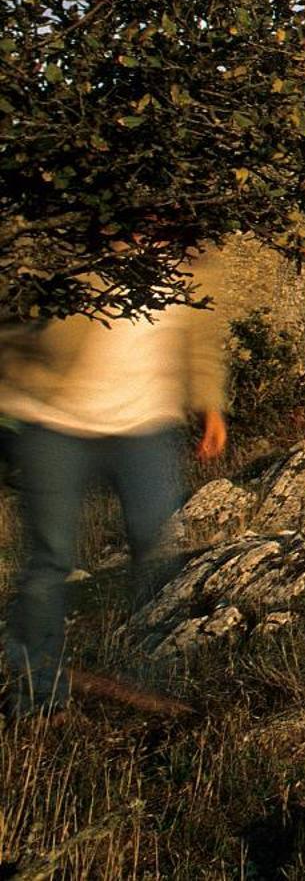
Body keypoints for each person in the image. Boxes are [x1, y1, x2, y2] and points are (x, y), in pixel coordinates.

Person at [0, 251, 228, 715]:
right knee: (50, 559)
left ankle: (149, 680)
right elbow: (18, 320)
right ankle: (35, 694)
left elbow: (200, 338)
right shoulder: (76, 239)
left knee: (158, 548)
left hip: (144, 428)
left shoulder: (195, 262)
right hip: (54, 419)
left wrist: (209, 404)